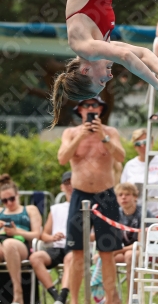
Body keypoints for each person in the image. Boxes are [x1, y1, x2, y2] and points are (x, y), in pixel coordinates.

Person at [57, 97, 126, 304]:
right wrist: (81, 137)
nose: (90, 109)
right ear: (80, 110)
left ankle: (110, 300)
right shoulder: (70, 133)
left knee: (107, 253)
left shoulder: (110, 132)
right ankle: (76, 301)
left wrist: (103, 136)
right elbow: (62, 158)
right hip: (80, 195)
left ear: (101, 109)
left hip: (105, 195)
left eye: (94, 105)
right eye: (86, 105)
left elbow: (121, 156)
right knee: (77, 253)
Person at [91, 183, 155, 304]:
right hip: (123, 250)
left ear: (135, 197)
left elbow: (141, 244)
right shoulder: (115, 213)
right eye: (120, 195)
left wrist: (116, 250)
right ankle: (114, 298)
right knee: (101, 258)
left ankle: (132, 298)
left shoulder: (143, 213)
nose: (123, 197)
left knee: (130, 256)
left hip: (142, 251)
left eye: (127, 194)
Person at [30, 171, 73, 304]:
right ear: (62, 187)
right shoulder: (56, 209)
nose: (70, 185)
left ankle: (63, 296)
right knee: (35, 258)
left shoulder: (86, 207)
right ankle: (57, 298)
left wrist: (81, 236)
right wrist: (53, 237)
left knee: (70, 257)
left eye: (72, 182)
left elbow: (94, 234)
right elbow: (43, 235)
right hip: (57, 247)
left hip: (76, 248)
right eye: (66, 183)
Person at [0, 174, 42, 304]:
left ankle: (18, 294)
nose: (9, 203)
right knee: (6, 244)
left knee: (9, 244)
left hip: (21, 244)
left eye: (12, 198)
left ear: (18, 195)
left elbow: (37, 234)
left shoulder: (29, 210)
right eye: (5, 201)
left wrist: (16, 231)